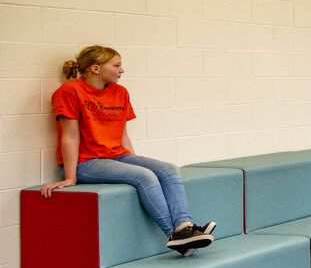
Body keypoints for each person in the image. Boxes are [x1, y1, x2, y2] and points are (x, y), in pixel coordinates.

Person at [41, 46, 216, 255]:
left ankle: (184, 227)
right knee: (144, 177)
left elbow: (122, 135)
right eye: (116, 65)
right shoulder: (69, 91)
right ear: (95, 68)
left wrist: (133, 160)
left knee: (168, 169)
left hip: (117, 156)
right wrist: (71, 178)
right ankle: (175, 236)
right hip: (86, 162)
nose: (121, 70)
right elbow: (69, 136)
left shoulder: (120, 92)